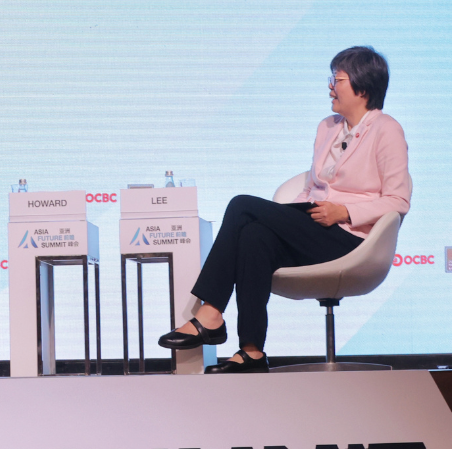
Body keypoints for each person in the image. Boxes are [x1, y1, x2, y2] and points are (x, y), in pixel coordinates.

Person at [158, 46, 412, 374]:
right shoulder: (327, 127)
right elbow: (313, 188)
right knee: (253, 235)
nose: (330, 87)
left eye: (337, 80)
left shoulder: (386, 129)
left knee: (241, 205)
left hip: (352, 237)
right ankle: (251, 352)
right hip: (315, 224)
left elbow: (398, 200)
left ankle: (211, 311)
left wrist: (344, 211)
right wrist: (288, 215)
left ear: (362, 87)